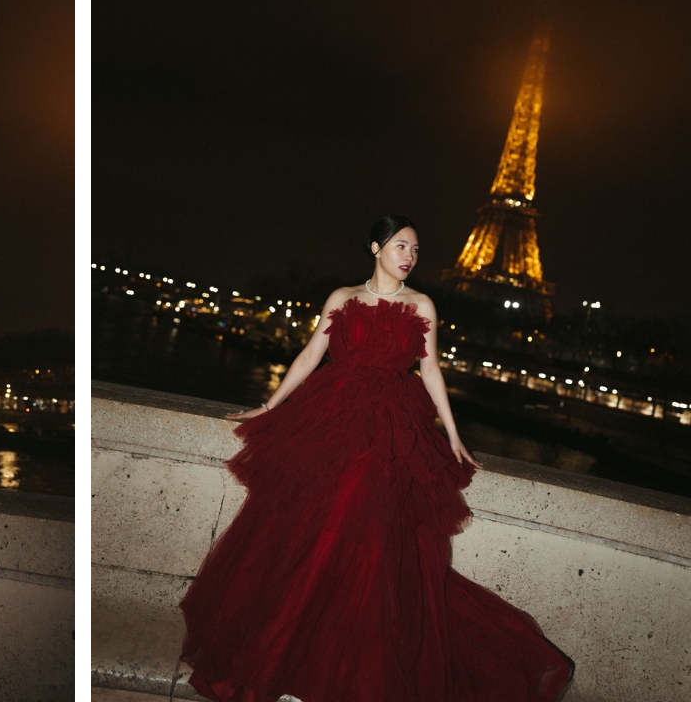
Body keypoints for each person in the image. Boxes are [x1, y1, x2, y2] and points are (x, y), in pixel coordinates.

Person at [178, 215, 573, 702]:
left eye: (416, 249)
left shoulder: (421, 304)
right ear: (375, 247)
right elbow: (309, 355)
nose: (410, 255)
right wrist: (268, 405)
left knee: (368, 543)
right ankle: (295, 642)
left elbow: (431, 372)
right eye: (401, 245)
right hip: (332, 422)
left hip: (389, 431)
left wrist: (452, 434)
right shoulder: (343, 298)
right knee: (308, 535)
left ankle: (335, 650)